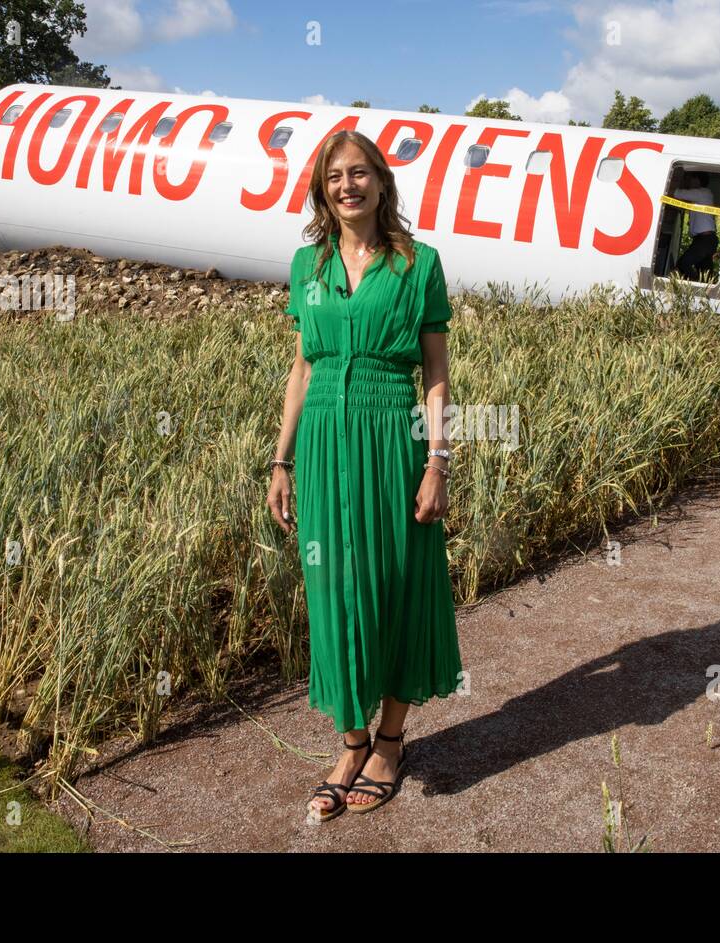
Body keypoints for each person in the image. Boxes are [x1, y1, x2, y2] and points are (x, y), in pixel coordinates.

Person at [267, 129, 463, 822]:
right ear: (323, 189)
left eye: (359, 173)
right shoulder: (306, 265)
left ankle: (389, 742)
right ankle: (349, 741)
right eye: (333, 176)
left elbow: (436, 375)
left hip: (390, 435)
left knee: (396, 585)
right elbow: (302, 366)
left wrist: (438, 460)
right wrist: (282, 459)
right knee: (333, 590)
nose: (346, 185)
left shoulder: (420, 263)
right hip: (321, 440)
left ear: (381, 181)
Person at [671, 171, 718, 281]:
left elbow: (676, 193)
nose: (688, 182)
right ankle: (701, 290)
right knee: (704, 275)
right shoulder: (703, 195)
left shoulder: (701, 193)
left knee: (683, 263)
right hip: (705, 240)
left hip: (704, 240)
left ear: (697, 180)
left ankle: (694, 286)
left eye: (690, 179)